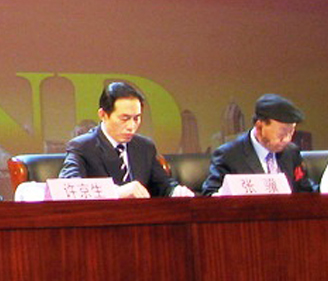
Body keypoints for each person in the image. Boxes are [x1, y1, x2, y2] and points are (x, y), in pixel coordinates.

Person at [60, 81, 193, 198]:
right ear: (103, 115)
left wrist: (176, 191)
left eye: (136, 118)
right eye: (124, 119)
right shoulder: (82, 147)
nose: (131, 126)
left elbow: (163, 185)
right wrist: (116, 192)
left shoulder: (144, 147)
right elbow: (68, 187)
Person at [200, 93, 318, 195]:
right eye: (281, 134)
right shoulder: (228, 155)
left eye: (291, 133)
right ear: (259, 126)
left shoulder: (291, 152)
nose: (287, 139)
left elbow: (306, 190)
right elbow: (210, 195)